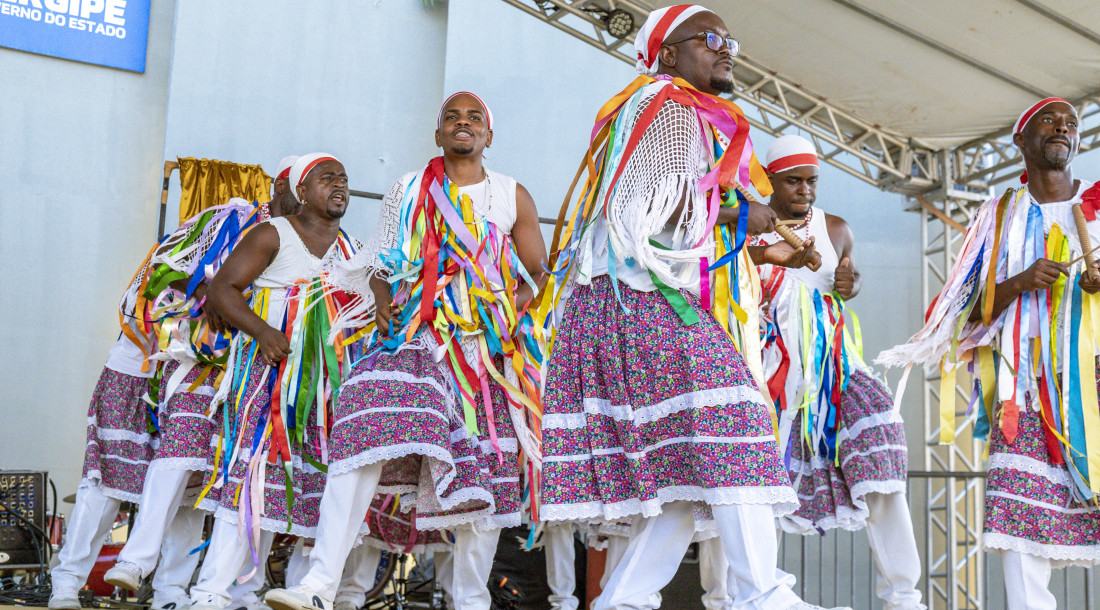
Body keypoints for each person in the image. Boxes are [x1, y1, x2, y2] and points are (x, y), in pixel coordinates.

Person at [538, 5, 840, 610]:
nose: (725, 49)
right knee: (738, 427)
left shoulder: (684, 113)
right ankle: (762, 595)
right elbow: (639, 212)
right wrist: (740, 214)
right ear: (670, 54)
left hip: (626, 304)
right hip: (641, 303)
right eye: (709, 39)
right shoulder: (668, 108)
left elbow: (678, 225)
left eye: (729, 39)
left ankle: (623, 600)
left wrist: (757, 243)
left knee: (686, 463)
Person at [264, 92, 547, 610]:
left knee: (485, 471)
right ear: (437, 134)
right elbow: (378, 261)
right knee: (361, 431)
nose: (463, 125)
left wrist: (508, 312)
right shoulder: (409, 188)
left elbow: (536, 271)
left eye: (474, 118)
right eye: (451, 118)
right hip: (413, 337)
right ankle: (318, 586)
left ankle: (469, 601)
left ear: (489, 135)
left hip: (482, 350)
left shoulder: (511, 195)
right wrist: (379, 299)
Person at [879, 97, 1100, 610]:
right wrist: (1017, 283)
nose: (1063, 128)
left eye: (1071, 123)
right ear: (1020, 140)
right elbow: (961, 316)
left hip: (1091, 381)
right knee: (1020, 517)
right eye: (1050, 120)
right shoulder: (995, 216)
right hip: (1021, 387)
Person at [103, 155, 301, 592]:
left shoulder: (319, 243)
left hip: (266, 376)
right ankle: (136, 561)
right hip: (207, 367)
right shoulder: (233, 218)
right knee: (179, 453)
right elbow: (166, 270)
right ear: (283, 186)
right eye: (304, 184)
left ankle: (218, 592)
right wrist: (206, 295)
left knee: (254, 476)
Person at [185, 153, 364, 610]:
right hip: (267, 380)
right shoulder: (273, 233)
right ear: (301, 191)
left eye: (343, 179)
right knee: (249, 478)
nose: (338, 185)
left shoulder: (353, 251)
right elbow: (223, 288)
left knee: (310, 488)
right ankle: (210, 594)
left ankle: (293, 595)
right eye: (326, 178)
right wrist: (265, 331)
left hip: (323, 393)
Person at [752, 134, 923, 610]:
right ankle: (739, 595)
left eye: (812, 181)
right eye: (793, 181)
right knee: (755, 482)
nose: (805, 190)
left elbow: (847, 279)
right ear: (770, 179)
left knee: (881, 459)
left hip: (836, 369)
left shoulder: (837, 228)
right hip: (770, 375)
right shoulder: (749, 229)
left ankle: (904, 596)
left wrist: (852, 283)